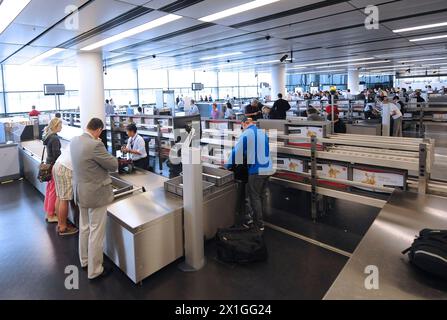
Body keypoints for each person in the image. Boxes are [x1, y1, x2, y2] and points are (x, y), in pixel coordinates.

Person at [70, 118, 118, 280]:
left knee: (84, 228)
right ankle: (95, 270)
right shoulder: (96, 145)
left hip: (80, 191)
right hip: (96, 194)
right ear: (98, 130)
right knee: (96, 232)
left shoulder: (75, 141)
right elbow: (113, 164)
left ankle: (84, 261)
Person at [225, 117, 272, 231]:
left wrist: (228, 166)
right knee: (260, 196)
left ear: (244, 124)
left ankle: (258, 225)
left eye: (242, 127)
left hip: (256, 170)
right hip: (267, 168)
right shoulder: (261, 132)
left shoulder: (246, 134)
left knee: (253, 197)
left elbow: (237, 151)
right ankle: (260, 219)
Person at [53, 146, 78, 236]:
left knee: (59, 196)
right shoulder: (88, 141)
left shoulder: (77, 139)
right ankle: (63, 227)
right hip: (65, 169)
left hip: (58, 165)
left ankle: (60, 224)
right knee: (64, 199)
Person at [43, 118, 63, 223]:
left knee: (49, 189)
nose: (61, 127)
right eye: (60, 126)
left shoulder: (48, 136)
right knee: (54, 191)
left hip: (48, 164)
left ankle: (48, 211)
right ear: (55, 126)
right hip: (54, 165)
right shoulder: (55, 138)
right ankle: (51, 215)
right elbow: (57, 154)